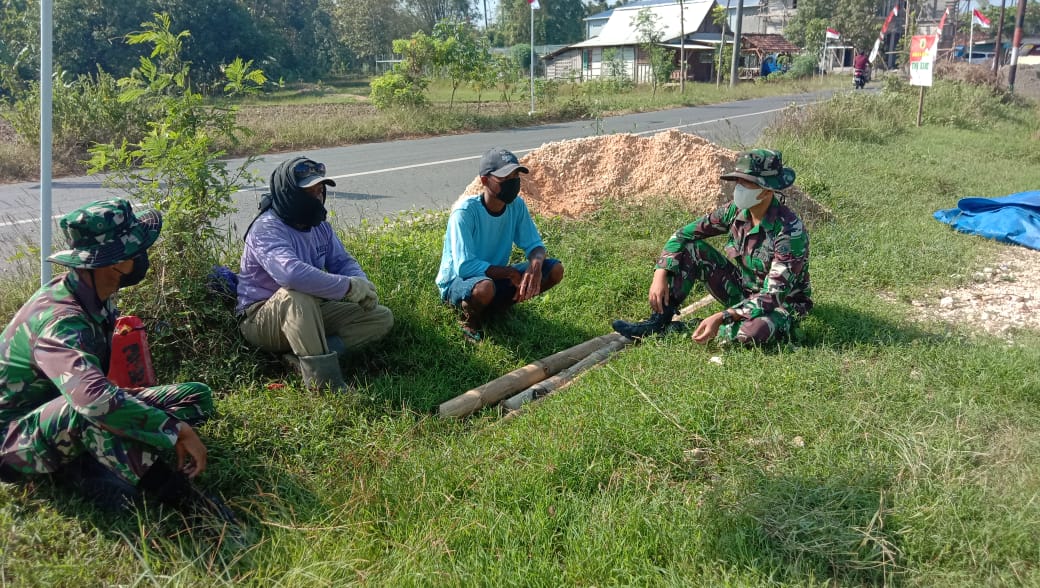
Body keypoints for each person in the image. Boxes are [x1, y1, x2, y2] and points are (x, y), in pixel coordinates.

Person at [0, 199, 223, 515]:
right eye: (137, 250)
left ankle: (92, 458)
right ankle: (187, 504)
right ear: (115, 263)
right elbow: (93, 399)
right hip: (14, 442)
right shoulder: (60, 319)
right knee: (90, 410)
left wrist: (161, 421)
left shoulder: (93, 293)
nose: (144, 256)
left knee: (194, 398)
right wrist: (175, 430)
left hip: (65, 405)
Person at [612, 149, 812, 346]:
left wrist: (724, 316)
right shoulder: (735, 211)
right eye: (738, 181)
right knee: (691, 248)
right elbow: (683, 235)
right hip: (744, 290)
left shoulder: (789, 232)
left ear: (767, 189)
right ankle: (658, 322)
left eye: (747, 183)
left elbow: (773, 295)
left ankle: (688, 329)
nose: (739, 188)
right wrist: (661, 272)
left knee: (754, 330)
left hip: (781, 305)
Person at [237, 156, 393, 391]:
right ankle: (324, 383)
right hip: (261, 318)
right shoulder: (266, 228)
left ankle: (301, 359)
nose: (318, 196)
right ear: (289, 193)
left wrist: (361, 283)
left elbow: (342, 261)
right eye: (310, 191)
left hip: (309, 311)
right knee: (296, 294)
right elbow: (291, 275)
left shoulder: (319, 226)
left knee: (380, 317)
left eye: (320, 189)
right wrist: (347, 287)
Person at [436, 147, 565, 341]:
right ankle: (470, 321)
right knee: (484, 288)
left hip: (493, 278)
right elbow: (465, 267)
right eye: (504, 179)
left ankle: (497, 307)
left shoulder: (516, 206)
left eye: (515, 177)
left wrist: (536, 266)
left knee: (555, 270)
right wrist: (509, 273)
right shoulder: (464, 213)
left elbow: (535, 245)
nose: (512, 183)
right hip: (459, 283)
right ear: (485, 181)